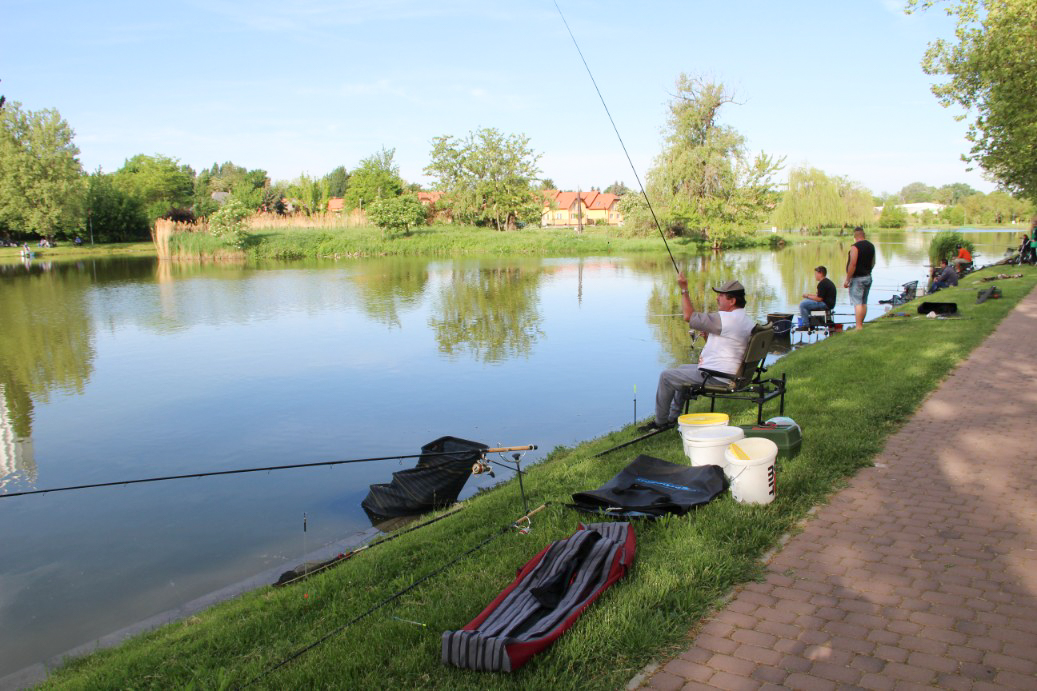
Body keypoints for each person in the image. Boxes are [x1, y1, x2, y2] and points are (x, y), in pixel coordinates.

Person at [640, 274, 756, 432]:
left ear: (732, 301)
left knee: (666, 376)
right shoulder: (746, 320)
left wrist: (684, 289)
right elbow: (731, 343)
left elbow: (689, 316)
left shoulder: (725, 318)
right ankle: (673, 417)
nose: (717, 298)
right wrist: (709, 338)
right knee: (681, 369)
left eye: (721, 296)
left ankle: (660, 423)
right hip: (731, 374)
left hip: (719, 377)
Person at [843, 226, 875, 331]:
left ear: (855, 236)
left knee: (857, 303)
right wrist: (868, 270)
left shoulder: (855, 247)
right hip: (868, 277)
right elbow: (873, 262)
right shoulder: (871, 246)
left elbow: (853, 264)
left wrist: (847, 279)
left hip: (857, 279)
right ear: (864, 235)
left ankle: (858, 326)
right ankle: (861, 324)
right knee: (864, 302)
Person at [797, 265, 837, 330]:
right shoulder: (827, 282)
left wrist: (807, 296)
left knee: (802, 305)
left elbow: (819, 299)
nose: (815, 275)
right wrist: (808, 295)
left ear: (820, 273)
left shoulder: (822, 283)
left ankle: (806, 325)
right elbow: (819, 296)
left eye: (816, 274)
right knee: (807, 301)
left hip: (825, 304)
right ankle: (811, 323)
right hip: (829, 304)